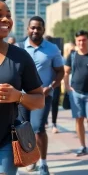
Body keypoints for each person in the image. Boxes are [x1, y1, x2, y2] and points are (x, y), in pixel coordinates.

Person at [0, 0, 44, 175]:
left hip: (6, 143)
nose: (5, 19)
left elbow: (39, 100)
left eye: (8, 15)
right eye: (0, 14)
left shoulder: (20, 57)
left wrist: (18, 96)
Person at [18, 16, 65, 175]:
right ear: (28, 29)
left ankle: (43, 163)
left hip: (42, 96)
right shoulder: (20, 48)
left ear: (43, 30)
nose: (35, 30)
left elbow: (60, 72)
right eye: (32, 27)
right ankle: (32, 159)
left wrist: (50, 87)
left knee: (38, 129)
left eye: (38, 28)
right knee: (24, 130)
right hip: (22, 97)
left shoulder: (52, 49)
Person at [64, 30, 88, 156]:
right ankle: (82, 145)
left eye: (84, 40)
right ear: (76, 41)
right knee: (79, 119)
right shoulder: (72, 56)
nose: (81, 42)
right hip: (76, 93)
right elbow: (66, 72)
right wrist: (67, 87)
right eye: (79, 40)